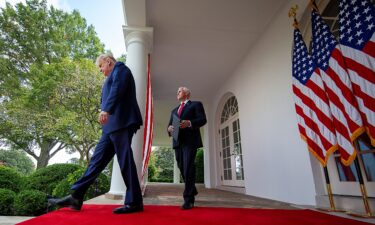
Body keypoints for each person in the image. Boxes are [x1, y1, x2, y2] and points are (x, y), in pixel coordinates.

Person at [48, 53, 144, 214]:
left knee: (125, 161)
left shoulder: (121, 69)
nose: (100, 70)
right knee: (96, 162)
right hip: (110, 127)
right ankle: (76, 197)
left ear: (108, 61)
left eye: (100, 66)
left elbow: (117, 89)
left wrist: (106, 109)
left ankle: (134, 202)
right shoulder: (111, 75)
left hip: (121, 122)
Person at [167, 87, 207, 210]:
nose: (177, 92)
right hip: (177, 142)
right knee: (182, 167)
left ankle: (188, 199)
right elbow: (169, 126)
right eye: (177, 91)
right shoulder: (174, 110)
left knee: (188, 166)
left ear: (187, 94)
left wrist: (189, 123)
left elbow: (202, 120)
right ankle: (192, 189)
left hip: (190, 141)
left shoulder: (196, 104)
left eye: (179, 90)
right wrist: (169, 129)